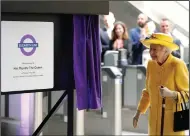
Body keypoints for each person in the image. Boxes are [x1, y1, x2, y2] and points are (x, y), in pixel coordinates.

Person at [132, 33, 189, 135]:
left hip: (172, 123)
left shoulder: (177, 65)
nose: (151, 52)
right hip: (154, 122)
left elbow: (188, 94)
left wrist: (171, 94)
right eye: (150, 49)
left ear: (165, 50)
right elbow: (147, 92)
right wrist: (138, 112)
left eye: (155, 50)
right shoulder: (150, 64)